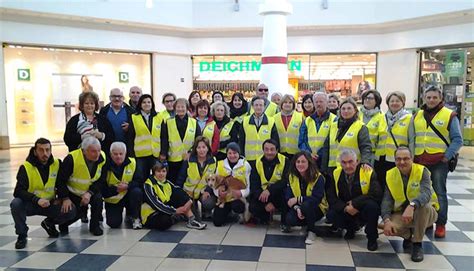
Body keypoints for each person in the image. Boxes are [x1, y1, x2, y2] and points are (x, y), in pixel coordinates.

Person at [413, 86, 462, 238]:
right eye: (428, 97)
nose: (431, 100)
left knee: (439, 192)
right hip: (420, 160)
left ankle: (440, 223)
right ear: (424, 98)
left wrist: (447, 157)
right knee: (422, 192)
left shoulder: (449, 115)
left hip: (439, 161)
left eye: (435, 97)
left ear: (441, 98)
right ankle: (427, 220)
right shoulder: (417, 115)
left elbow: (457, 139)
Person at [10, 138, 76, 249]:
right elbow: (18, 191)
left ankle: (49, 223)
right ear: (35, 151)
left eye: (47, 150)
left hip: (50, 204)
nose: (45, 153)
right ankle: (22, 235)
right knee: (16, 203)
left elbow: (61, 183)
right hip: (31, 204)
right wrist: (36, 199)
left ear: (51, 150)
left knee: (71, 209)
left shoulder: (57, 164)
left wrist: (64, 198)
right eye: (41, 150)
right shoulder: (26, 167)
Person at [382, 146, 439, 262]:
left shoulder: (422, 171)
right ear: (394, 160)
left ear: (412, 159)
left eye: (406, 158)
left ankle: (417, 244)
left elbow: (426, 194)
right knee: (387, 226)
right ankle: (408, 236)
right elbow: (387, 200)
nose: (402, 162)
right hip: (403, 213)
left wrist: (412, 205)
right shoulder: (390, 174)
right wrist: (386, 220)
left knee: (424, 207)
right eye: (398, 159)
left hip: (427, 213)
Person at [326, 149, 382, 251]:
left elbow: (376, 194)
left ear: (357, 161)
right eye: (344, 162)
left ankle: (372, 238)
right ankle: (350, 229)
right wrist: (345, 208)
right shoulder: (336, 173)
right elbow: (331, 197)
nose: (347, 166)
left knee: (373, 207)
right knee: (331, 214)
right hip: (346, 209)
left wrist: (355, 204)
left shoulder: (368, 172)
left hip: (362, 208)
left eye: (350, 162)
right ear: (340, 163)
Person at [56, 137, 107, 236]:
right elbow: (60, 181)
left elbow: (102, 180)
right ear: (84, 151)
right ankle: (62, 223)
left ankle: (95, 226)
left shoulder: (103, 157)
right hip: (73, 193)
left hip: (90, 191)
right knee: (73, 213)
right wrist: (65, 198)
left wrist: (89, 193)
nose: (97, 154)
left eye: (98, 150)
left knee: (98, 199)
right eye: (93, 151)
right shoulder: (71, 159)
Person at [141, 162, 207, 230]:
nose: (161, 174)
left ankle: (192, 220)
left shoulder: (166, 182)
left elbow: (178, 190)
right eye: (158, 171)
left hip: (164, 208)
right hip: (151, 214)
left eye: (163, 171)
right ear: (154, 172)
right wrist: (175, 211)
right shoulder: (148, 185)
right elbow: (156, 204)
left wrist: (189, 200)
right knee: (165, 221)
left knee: (180, 195)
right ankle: (175, 217)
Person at [285, 151, 328, 245]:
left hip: (318, 208)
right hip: (300, 207)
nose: (300, 164)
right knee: (289, 219)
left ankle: (312, 231)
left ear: (309, 162)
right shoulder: (291, 176)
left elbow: (316, 199)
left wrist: (298, 199)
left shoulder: (318, 177)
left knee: (306, 205)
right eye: (298, 162)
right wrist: (297, 209)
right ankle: (307, 223)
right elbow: (288, 198)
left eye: (303, 161)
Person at [375, 91, 413, 189]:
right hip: (381, 158)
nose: (394, 103)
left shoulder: (409, 118)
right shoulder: (381, 117)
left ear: (403, 103)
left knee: (396, 187)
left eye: (397, 101)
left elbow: (412, 140)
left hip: (398, 159)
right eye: (392, 101)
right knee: (381, 186)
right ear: (388, 103)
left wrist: (412, 158)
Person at [249, 139, 289, 231]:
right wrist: (265, 203)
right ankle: (265, 217)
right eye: (266, 149)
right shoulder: (257, 162)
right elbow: (254, 185)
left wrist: (269, 190)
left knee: (286, 196)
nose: (269, 152)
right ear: (263, 150)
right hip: (263, 195)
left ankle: (284, 223)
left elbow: (286, 181)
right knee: (253, 206)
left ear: (277, 150)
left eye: (272, 149)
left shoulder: (285, 161)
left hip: (278, 192)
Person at [102, 142, 143, 229]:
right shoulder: (105, 166)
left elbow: (139, 181)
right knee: (113, 224)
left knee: (137, 191)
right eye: (115, 154)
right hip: (113, 198)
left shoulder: (133, 162)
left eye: (121, 154)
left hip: (128, 195)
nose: (118, 156)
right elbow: (102, 188)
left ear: (125, 153)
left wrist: (128, 186)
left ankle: (135, 217)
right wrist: (116, 189)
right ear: (110, 154)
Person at [160, 98, 201, 184]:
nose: (180, 109)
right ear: (175, 108)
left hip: (189, 159)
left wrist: (191, 152)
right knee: (173, 182)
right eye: (178, 107)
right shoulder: (168, 122)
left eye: (183, 107)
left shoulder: (194, 122)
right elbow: (164, 140)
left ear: (187, 108)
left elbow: (198, 140)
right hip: (173, 159)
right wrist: (163, 154)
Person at [328, 97, 372, 174]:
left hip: (352, 168)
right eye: (343, 108)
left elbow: (366, 147)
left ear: (355, 110)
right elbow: (327, 147)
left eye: (349, 108)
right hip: (334, 168)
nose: (346, 111)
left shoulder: (361, 127)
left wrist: (365, 162)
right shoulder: (334, 126)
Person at [176, 137, 217, 220]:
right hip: (189, 193)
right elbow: (181, 177)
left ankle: (206, 211)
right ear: (195, 149)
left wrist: (208, 191)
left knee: (208, 203)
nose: (201, 150)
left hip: (203, 192)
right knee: (194, 218)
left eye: (204, 147)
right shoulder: (189, 160)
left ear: (208, 148)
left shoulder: (213, 161)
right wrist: (178, 193)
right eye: (199, 147)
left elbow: (214, 180)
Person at [213, 143, 251, 226]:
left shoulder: (246, 165)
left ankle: (239, 212)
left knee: (238, 206)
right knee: (217, 222)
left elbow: (249, 187)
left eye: (235, 153)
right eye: (229, 153)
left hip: (237, 198)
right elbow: (214, 184)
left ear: (239, 153)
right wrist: (218, 193)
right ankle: (229, 215)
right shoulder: (220, 165)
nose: (232, 156)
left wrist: (241, 193)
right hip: (224, 198)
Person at [298, 92, 336, 174]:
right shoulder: (307, 120)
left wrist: (320, 154)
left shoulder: (334, 120)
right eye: (316, 102)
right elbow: (301, 141)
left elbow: (333, 142)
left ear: (326, 103)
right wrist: (309, 154)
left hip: (327, 161)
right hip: (310, 160)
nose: (318, 104)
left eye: (321, 101)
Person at [127, 94, 162, 179]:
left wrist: (163, 152)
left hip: (155, 154)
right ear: (140, 104)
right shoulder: (134, 117)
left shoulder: (159, 116)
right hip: (140, 155)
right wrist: (131, 154)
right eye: (144, 102)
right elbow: (130, 137)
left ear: (152, 104)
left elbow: (163, 136)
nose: (147, 104)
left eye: (149, 102)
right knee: (140, 177)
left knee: (157, 177)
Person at [239, 96, 279, 164]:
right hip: (249, 159)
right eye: (256, 105)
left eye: (261, 105)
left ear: (264, 106)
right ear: (252, 106)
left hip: (265, 158)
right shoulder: (245, 121)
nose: (258, 107)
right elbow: (241, 141)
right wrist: (241, 156)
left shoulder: (271, 121)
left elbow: (275, 140)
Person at [273, 94, 304, 159]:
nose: (288, 104)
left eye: (290, 102)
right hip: (279, 151)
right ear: (281, 104)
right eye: (285, 102)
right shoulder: (274, 118)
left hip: (296, 152)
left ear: (293, 105)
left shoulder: (300, 117)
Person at [359, 90, 383, 162]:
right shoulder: (357, 114)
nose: (367, 100)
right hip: (356, 151)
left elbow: (381, 138)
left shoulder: (381, 117)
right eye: (365, 98)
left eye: (370, 98)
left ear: (377, 101)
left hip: (372, 153)